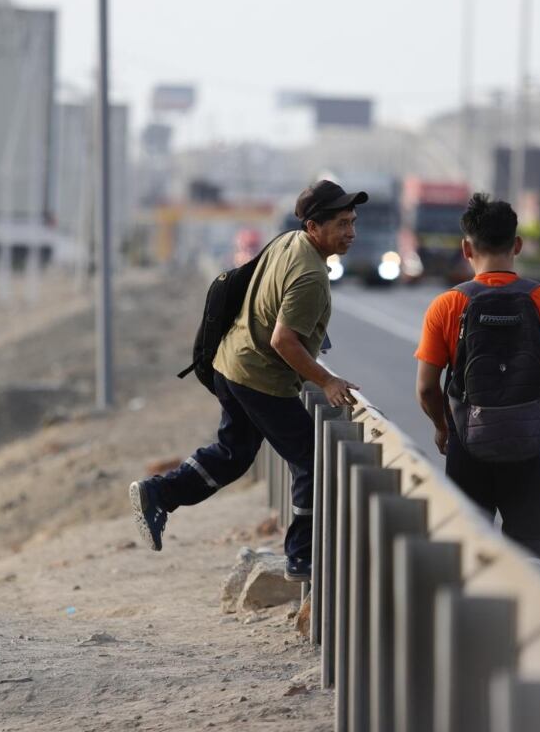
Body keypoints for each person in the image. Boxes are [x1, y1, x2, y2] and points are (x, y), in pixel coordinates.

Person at [130, 179, 365, 582]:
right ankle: (301, 556)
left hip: (231, 362)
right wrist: (326, 381)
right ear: (313, 227)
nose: (351, 233)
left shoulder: (288, 241)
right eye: (341, 224)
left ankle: (160, 493)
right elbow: (283, 340)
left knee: (232, 454)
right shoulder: (311, 275)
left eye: (352, 222)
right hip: (259, 377)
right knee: (312, 461)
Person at [413, 194, 540, 578]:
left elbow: (427, 388)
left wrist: (444, 428)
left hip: (467, 443)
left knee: (464, 545)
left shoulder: (447, 305)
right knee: (537, 544)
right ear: (518, 245)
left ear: (465, 248)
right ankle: (530, 605)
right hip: (528, 444)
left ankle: (472, 622)